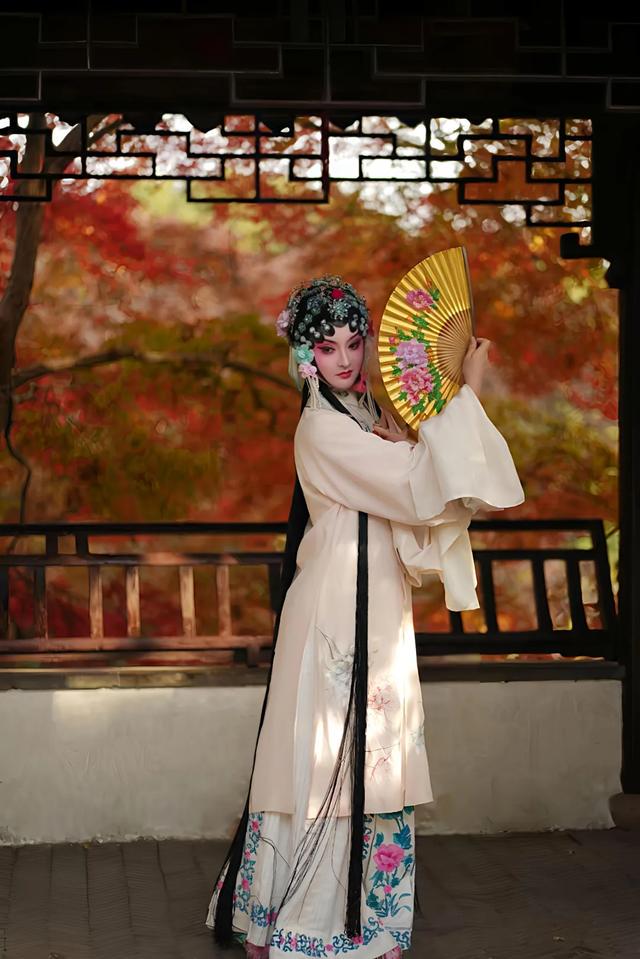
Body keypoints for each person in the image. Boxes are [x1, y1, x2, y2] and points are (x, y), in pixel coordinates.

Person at [206, 274, 525, 958]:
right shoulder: (323, 427)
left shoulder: (362, 415)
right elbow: (415, 488)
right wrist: (465, 392)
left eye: (355, 342)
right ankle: (309, 922)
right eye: (327, 348)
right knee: (333, 755)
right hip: (335, 610)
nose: (346, 360)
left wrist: (405, 435)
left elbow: (413, 489)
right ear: (305, 357)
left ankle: (364, 920)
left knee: (372, 750)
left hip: (373, 603)